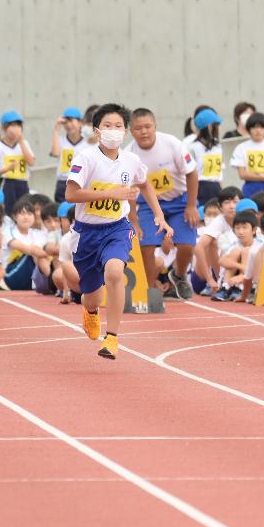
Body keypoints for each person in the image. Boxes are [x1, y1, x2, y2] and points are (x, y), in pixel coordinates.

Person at [63, 105, 165, 361]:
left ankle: (112, 337)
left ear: (125, 131)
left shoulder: (131, 160)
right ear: (97, 131)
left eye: (118, 126)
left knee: (115, 272)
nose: (113, 131)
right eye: (107, 126)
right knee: (92, 297)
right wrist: (111, 193)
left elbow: (144, 184)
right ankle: (91, 311)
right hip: (87, 233)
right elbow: (71, 195)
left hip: (116, 228)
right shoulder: (85, 158)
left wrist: (158, 213)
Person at [129, 107, 200, 300]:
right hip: (149, 205)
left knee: (186, 245)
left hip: (180, 200)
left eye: (147, 126)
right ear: (130, 130)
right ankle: (151, 291)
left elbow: (192, 173)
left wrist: (192, 205)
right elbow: (129, 190)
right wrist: (133, 220)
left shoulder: (172, 144)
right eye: (138, 128)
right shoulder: (129, 155)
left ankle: (178, 274)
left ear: (155, 126)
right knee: (146, 245)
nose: (143, 132)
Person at [0, 112, 35, 211]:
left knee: (24, 209)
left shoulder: (24, 143)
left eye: (18, 125)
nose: (15, 128)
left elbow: (31, 162)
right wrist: (7, 169)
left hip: (23, 183)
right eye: (12, 125)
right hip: (7, 183)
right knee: (8, 210)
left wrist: (21, 141)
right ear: (4, 127)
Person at [231, 111, 264, 193]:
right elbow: (242, 174)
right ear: (249, 129)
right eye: (255, 127)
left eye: (261, 127)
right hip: (249, 188)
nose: (258, 130)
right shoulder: (241, 148)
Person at [188, 106, 225, 205]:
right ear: (209, 126)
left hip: (216, 187)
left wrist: (222, 189)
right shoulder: (193, 147)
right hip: (200, 187)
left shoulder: (218, 146)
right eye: (216, 125)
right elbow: (189, 172)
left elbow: (219, 171)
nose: (218, 128)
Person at [52, 106, 89, 177]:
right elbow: (55, 153)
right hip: (62, 182)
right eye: (65, 122)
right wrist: (56, 129)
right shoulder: (60, 140)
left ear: (80, 123)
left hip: (81, 181)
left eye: (71, 121)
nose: (68, 125)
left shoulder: (87, 142)